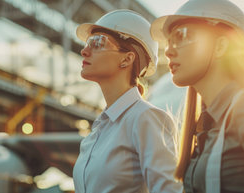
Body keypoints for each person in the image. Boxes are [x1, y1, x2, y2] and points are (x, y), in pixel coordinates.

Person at [150, 0, 244, 193]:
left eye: (181, 35)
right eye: (169, 41)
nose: (168, 51)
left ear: (220, 46)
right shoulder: (205, 125)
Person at [72, 9, 182, 193]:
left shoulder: (145, 118)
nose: (84, 51)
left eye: (97, 42)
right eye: (87, 43)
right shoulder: (98, 130)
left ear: (127, 58)